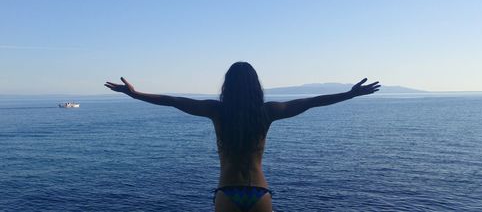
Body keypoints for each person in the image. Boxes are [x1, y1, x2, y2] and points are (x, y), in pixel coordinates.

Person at [105, 62, 380, 212]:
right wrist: (349, 93)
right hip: (259, 193)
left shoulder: (217, 111)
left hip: (227, 193)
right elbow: (311, 101)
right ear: (255, 86)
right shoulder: (268, 112)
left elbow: (173, 100)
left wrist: (135, 94)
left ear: (227, 85)